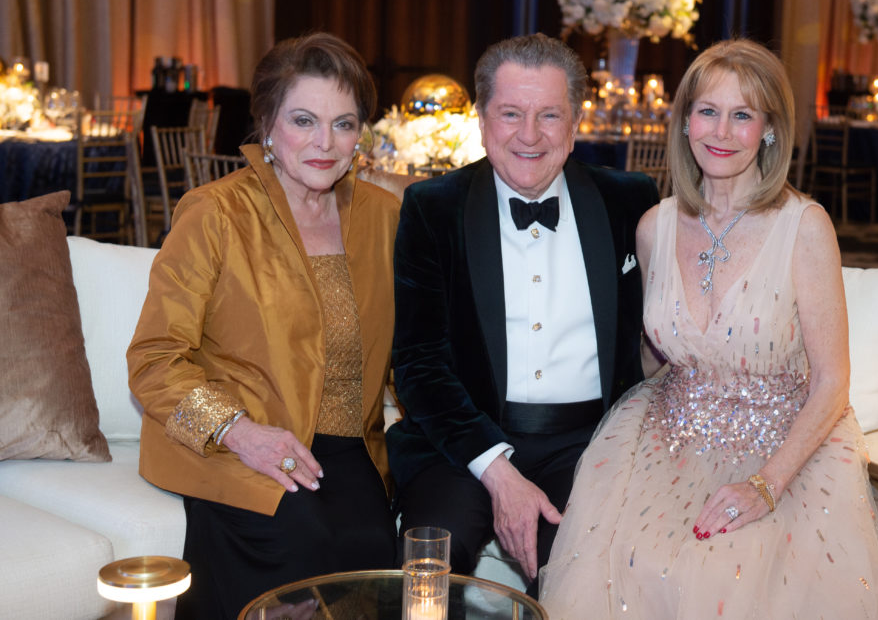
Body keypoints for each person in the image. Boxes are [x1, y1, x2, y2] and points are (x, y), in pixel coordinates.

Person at [539, 39, 878, 618]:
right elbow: (654, 355)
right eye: (707, 111)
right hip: (667, 436)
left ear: (769, 129)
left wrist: (764, 486)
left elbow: (831, 382)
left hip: (784, 447)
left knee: (728, 572)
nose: (721, 131)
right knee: (628, 562)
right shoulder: (654, 227)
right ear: (685, 122)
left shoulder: (804, 227)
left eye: (742, 115)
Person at [127, 32, 400, 619]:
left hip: (347, 451)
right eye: (305, 120)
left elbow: (417, 352)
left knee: (375, 561)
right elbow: (153, 359)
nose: (326, 144)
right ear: (268, 124)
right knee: (300, 552)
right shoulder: (216, 213)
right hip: (238, 446)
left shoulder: (385, 217)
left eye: (345, 124)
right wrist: (239, 432)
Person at [386, 33, 660, 592]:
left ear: (576, 123)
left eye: (549, 115)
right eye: (510, 113)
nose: (529, 135)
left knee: (579, 574)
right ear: (482, 119)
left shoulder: (630, 203)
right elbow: (416, 364)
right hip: (461, 442)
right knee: (426, 571)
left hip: (586, 445)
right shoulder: (431, 208)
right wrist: (497, 470)